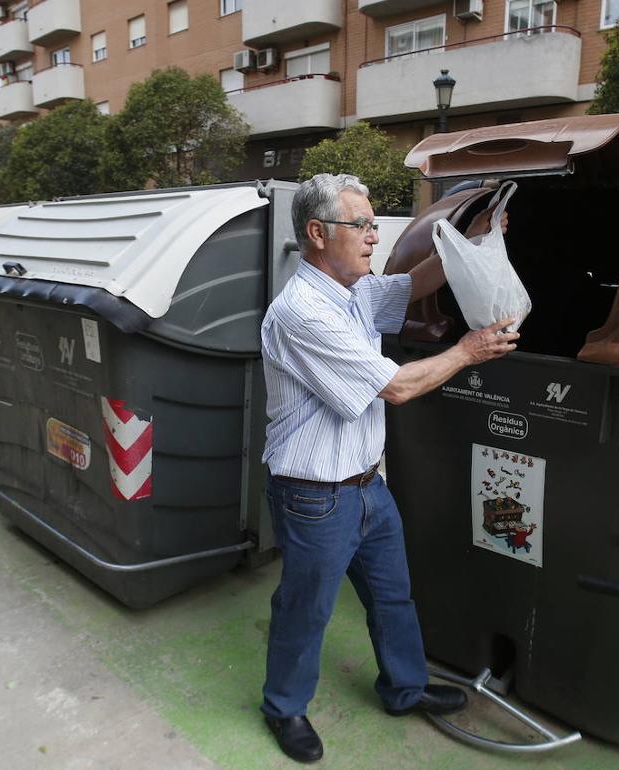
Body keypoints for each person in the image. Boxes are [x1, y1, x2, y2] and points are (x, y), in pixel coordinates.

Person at [259, 173, 519, 763]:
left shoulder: (355, 293)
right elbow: (397, 388)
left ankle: (404, 687)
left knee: (393, 596)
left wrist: (472, 242)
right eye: (364, 226)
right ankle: (284, 707)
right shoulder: (302, 312)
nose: (375, 236)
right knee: (307, 609)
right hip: (314, 496)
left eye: (376, 225)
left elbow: (418, 280)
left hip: (366, 487)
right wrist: (469, 351)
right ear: (318, 233)